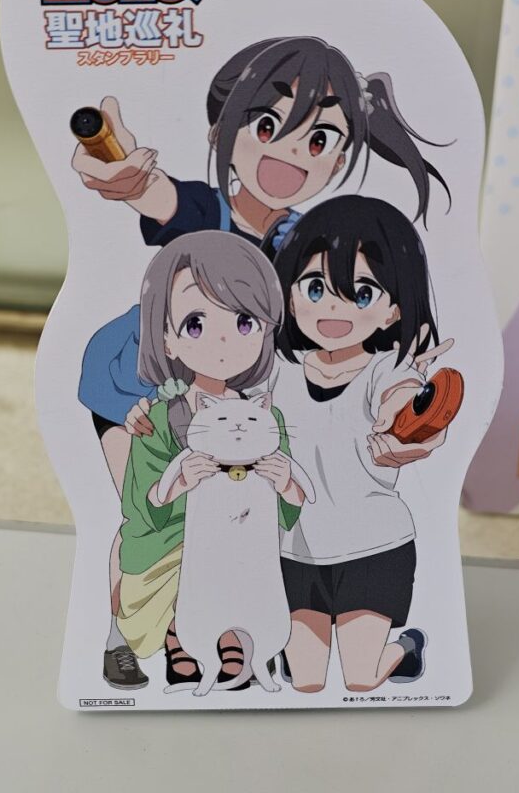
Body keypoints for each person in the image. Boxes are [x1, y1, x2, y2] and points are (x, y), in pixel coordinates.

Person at [75, 37, 450, 688]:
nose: (290, 154)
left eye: (320, 139)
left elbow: (334, 329)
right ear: (221, 132)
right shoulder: (205, 210)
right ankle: (124, 636)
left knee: (232, 514)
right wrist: (129, 179)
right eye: (269, 126)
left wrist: (407, 403)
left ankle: (231, 638)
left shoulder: (309, 243)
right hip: (139, 378)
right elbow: (161, 197)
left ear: (341, 157)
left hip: (237, 392)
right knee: (153, 515)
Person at [267, 195, 450, 693]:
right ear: (289, 295)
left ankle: (406, 646)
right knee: (306, 684)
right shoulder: (278, 372)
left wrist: (410, 420)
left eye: (362, 292)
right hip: (295, 548)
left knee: (360, 680)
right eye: (315, 287)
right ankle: (301, 653)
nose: (334, 307)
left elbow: (406, 404)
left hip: (373, 546)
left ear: (393, 311)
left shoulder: (385, 370)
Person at [115, 231, 304, 689]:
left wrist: (284, 485)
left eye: (244, 322)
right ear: (167, 338)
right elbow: (138, 506)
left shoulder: (266, 417)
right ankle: (181, 632)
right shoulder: (159, 418)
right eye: (196, 323)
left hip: (247, 538)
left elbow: (288, 511)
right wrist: (177, 485)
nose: (222, 340)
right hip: (175, 545)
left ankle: (240, 634)